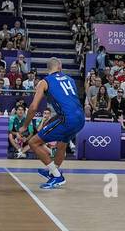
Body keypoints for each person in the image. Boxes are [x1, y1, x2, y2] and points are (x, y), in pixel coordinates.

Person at [20, 57, 86, 190]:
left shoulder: (44, 82)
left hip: (68, 119)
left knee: (33, 142)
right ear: (60, 67)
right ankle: (53, 170)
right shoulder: (70, 79)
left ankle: (57, 176)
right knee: (62, 144)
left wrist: (25, 126)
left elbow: (33, 107)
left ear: (47, 69)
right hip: (81, 118)